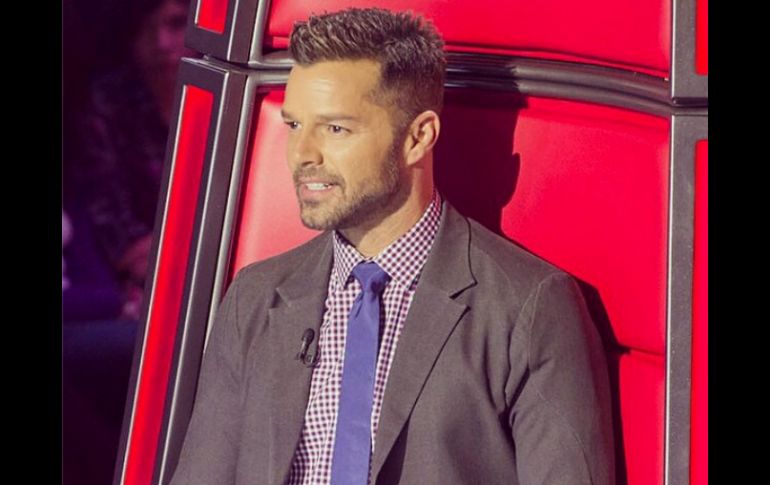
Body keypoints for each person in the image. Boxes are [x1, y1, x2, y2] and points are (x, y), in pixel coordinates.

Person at [170, 7, 614, 485]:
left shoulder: (529, 308)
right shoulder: (255, 297)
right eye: (295, 125)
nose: (302, 155)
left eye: (336, 129)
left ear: (418, 137)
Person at [69, 0, 195, 320]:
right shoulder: (107, 106)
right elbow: (120, 238)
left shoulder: (230, 101)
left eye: (177, 24)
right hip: (138, 286)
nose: (161, 43)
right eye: (146, 30)